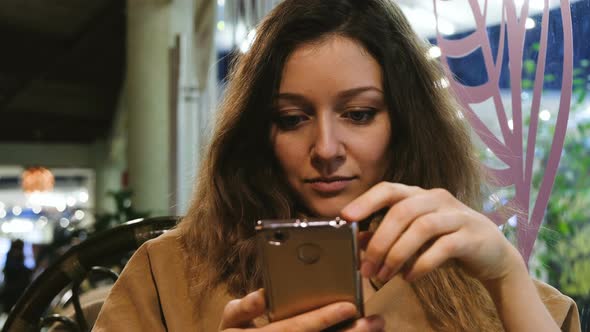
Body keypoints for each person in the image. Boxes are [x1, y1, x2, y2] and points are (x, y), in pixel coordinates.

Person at [93, 0, 580, 331]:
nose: (326, 147)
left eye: (359, 114)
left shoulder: (483, 286)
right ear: (259, 131)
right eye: (292, 118)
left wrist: (506, 277)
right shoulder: (169, 275)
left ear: (405, 123)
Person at [1, 239, 33, 313]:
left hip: (14, 291)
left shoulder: (12, 256)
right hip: (13, 291)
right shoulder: (11, 257)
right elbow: (13, 270)